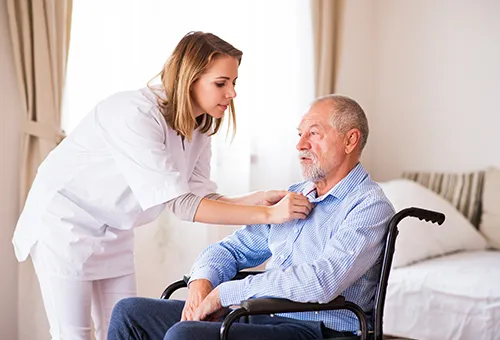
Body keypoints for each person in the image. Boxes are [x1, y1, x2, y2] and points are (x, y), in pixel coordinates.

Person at [11, 31, 313, 340]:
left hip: (114, 230)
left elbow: (201, 195)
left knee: (122, 328)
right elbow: (182, 205)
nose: (232, 93)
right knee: (74, 334)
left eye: (234, 83)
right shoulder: (134, 113)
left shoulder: (200, 126)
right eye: (221, 83)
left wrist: (258, 199)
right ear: (190, 78)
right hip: (65, 224)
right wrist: (270, 216)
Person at [107, 94, 396, 340]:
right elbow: (230, 250)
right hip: (260, 315)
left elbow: (322, 281)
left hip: (318, 329)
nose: (300, 145)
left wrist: (225, 294)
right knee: (130, 313)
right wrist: (202, 284)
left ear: (350, 141)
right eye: (300, 134)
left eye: (314, 134)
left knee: (185, 335)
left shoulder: (369, 206)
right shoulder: (296, 197)